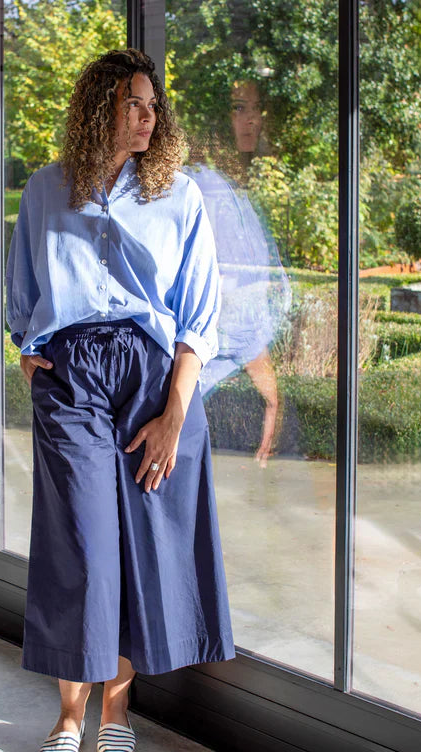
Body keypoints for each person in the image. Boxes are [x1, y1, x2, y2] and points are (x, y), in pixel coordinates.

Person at [6, 48, 236, 752]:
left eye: (152, 105)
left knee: (139, 542)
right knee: (80, 543)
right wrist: (26, 351)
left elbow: (200, 316)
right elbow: (22, 292)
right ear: (99, 107)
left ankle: (116, 708)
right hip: (71, 378)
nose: (149, 115)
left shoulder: (179, 195)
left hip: (150, 375)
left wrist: (174, 415)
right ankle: (69, 714)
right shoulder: (47, 190)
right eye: (134, 103)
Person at [184, 79, 291, 466]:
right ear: (217, 120)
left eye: (256, 108)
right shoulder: (209, 189)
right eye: (238, 108)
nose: (253, 121)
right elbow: (223, 295)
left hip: (219, 382)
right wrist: (263, 375)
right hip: (209, 388)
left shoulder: (235, 190)